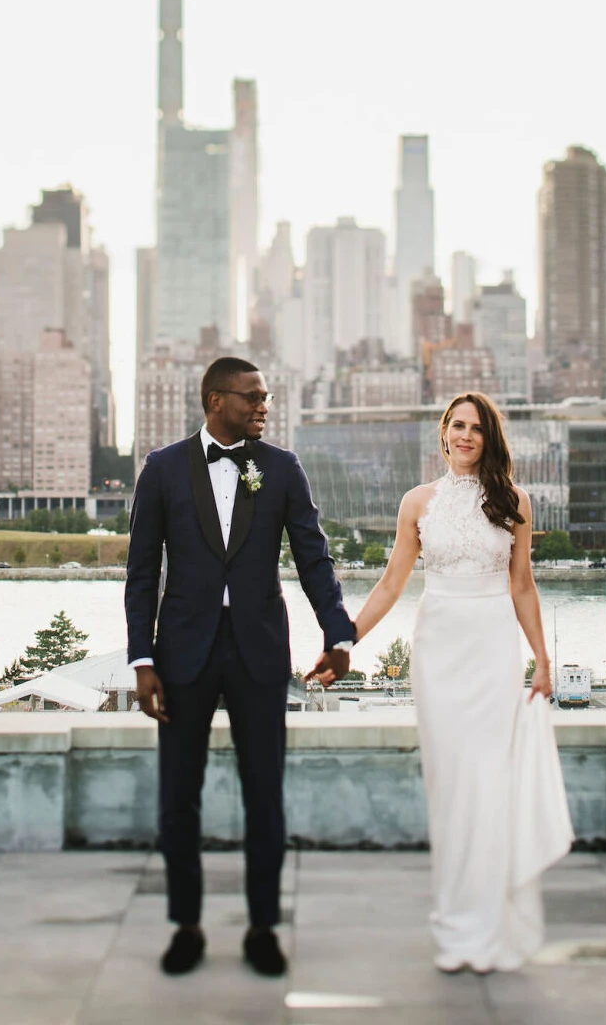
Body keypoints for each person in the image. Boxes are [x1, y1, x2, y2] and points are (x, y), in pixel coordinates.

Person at [315, 390, 574, 973]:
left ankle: (486, 925)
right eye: (456, 426)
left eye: (476, 428)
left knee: (487, 781)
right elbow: (389, 586)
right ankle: (457, 923)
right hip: (438, 650)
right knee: (451, 786)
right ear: (443, 433)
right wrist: (343, 641)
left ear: (489, 438)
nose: (464, 436)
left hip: (491, 648)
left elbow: (523, 585)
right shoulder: (417, 503)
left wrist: (543, 660)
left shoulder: (514, 502)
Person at [124, 356, 355, 978]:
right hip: (181, 655)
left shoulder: (279, 468)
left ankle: (261, 928)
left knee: (264, 795)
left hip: (258, 652)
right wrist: (142, 660)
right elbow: (142, 572)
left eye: (266, 398)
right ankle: (187, 927)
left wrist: (338, 634)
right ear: (214, 400)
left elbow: (313, 557)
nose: (264, 406)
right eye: (253, 397)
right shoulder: (162, 469)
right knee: (179, 795)